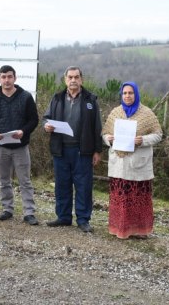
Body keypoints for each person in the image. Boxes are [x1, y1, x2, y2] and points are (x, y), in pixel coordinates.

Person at [43, 66, 102, 233]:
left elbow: (98, 126)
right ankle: (63, 217)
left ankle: (83, 219)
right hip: (60, 149)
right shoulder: (57, 98)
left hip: (83, 150)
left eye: (76, 77)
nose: (73, 80)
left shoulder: (90, 100)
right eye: (70, 77)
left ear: (81, 79)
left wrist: (98, 151)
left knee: (83, 186)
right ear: (65, 80)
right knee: (62, 184)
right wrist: (46, 126)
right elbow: (46, 118)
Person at [102, 81, 163, 239]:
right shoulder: (116, 112)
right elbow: (104, 133)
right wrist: (107, 138)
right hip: (119, 163)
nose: (127, 96)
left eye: (131, 93)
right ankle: (119, 228)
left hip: (138, 164)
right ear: (121, 95)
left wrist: (142, 140)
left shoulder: (146, 113)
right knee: (120, 196)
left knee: (138, 197)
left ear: (136, 94)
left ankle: (140, 230)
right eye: (125, 93)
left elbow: (158, 134)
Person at [0, 65, 40, 225]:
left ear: (15, 78)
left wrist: (23, 131)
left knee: (25, 181)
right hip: (0, 147)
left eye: (9, 76)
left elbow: (33, 120)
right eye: (3, 77)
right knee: (4, 180)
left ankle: (29, 212)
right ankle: (7, 209)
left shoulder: (26, 97)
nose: (6, 80)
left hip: (20, 147)